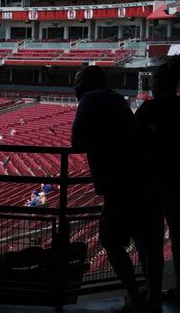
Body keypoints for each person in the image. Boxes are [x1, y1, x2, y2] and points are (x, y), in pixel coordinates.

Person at [71, 66, 163, 313]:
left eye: (78, 83)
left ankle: (135, 297)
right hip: (143, 181)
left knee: (110, 239)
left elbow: (76, 140)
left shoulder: (91, 99)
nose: (75, 88)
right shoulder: (115, 99)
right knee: (145, 241)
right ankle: (151, 298)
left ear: (86, 84)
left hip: (121, 185)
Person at [135, 56, 180, 307]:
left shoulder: (148, 109)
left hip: (158, 179)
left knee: (151, 238)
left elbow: (137, 143)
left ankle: (152, 291)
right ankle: (179, 290)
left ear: (158, 84)